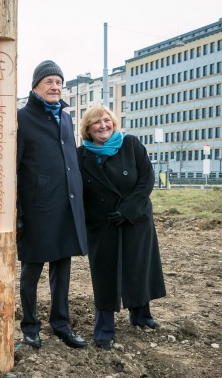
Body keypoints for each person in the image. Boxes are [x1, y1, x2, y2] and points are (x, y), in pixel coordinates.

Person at [77, 105, 166, 350]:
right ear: (87, 128)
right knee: (104, 274)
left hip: (135, 218)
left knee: (138, 266)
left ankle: (142, 316)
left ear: (113, 123)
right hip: (101, 223)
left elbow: (147, 178)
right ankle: (104, 329)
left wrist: (128, 210)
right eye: (96, 122)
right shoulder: (81, 155)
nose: (103, 125)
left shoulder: (131, 144)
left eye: (106, 120)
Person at [16, 60, 88, 350]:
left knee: (62, 269)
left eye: (59, 82)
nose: (55, 87)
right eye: (49, 82)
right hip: (37, 208)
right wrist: (19, 213)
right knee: (31, 272)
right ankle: (30, 326)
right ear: (35, 86)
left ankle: (61, 324)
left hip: (66, 206)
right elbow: (14, 168)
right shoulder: (22, 118)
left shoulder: (66, 118)